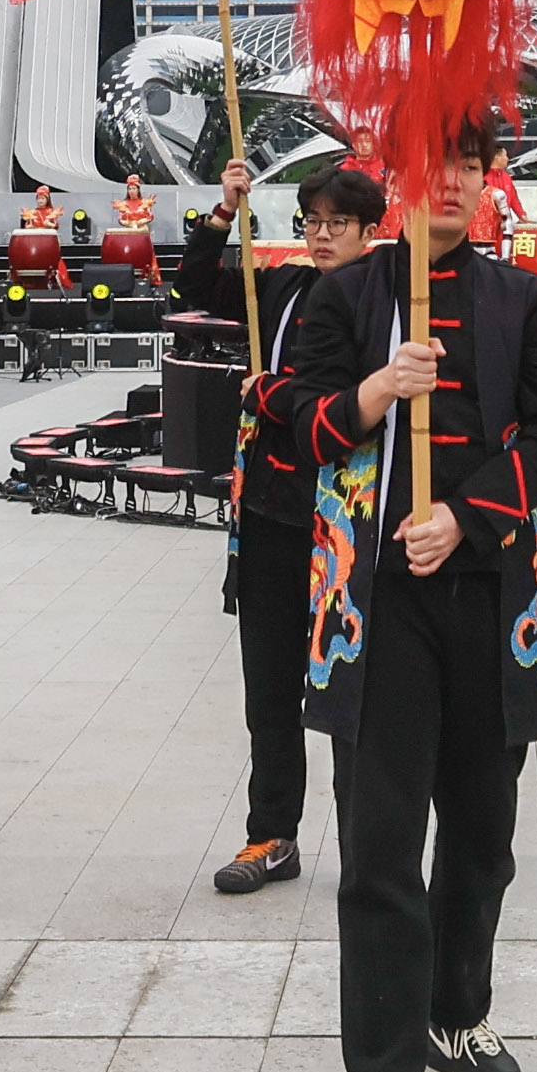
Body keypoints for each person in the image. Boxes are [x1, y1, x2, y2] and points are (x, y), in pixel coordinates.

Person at [279, 147, 537, 1072]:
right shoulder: (346, 296)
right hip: (378, 608)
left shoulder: (525, 298)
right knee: (379, 838)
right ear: (395, 179)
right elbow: (304, 425)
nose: (449, 183)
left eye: (469, 164)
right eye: (429, 163)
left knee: (482, 833)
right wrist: (377, 387)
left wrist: (465, 515)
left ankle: (456, 1017)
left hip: (496, 595)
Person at [207, 169, 376, 893]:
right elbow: (197, 289)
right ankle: (272, 834)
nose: (321, 234)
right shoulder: (281, 287)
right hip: (273, 517)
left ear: (372, 228)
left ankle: (371, 844)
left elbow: (342, 401)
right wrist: (225, 211)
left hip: (348, 524)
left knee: (353, 693)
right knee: (269, 692)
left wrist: (272, 393)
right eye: (311, 221)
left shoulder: (391, 302)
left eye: (338, 223)